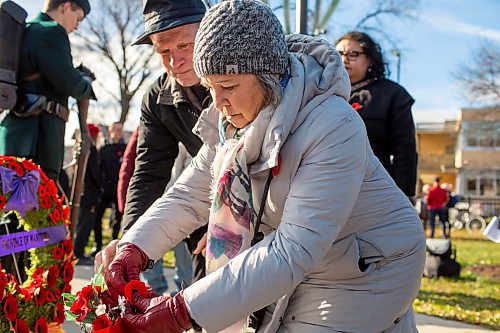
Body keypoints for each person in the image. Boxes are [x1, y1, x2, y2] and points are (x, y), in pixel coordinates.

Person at [102, 1, 426, 332]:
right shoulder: (232, 123)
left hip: (371, 267)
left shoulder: (334, 125)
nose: (217, 103)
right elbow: (190, 194)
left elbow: (293, 249)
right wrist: (134, 248)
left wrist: (181, 310)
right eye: (209, 87)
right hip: (314, 261)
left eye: (227, 86)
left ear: (269, 75)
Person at [94, 0, 209, 294]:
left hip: (266, 213)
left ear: (210, 32)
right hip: (202, 212)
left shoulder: (242, 75)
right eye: (163, 52)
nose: (175, 62)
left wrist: (236, 219)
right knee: (202, 300)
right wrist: (129, 238)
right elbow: (148, 172)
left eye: (185, 45)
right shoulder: (158, 98)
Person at [0, 0, 94, 281]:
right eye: (78, 16)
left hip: (18, 141)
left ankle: (14, 283)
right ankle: (19, 284)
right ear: (66, 6)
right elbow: (70, 83)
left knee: (16, 220)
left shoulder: (28, 30)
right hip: (37, 145)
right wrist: (85, 81)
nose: (77, 24)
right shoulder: (51, 32)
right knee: (27, 222)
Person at [335, 31, 418, 199]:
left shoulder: (392, 94)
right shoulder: (320, 92)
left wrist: (402, 195)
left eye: (353, 54)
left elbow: (405, 150)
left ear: (370, 60)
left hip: (372, 192)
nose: (344, 60)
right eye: (339, 54)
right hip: (324, 188)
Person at [116, 127, 193, 293]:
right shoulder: (148, 127)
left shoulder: (191, 129)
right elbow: (131, 165)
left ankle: (184, 295)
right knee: (148, 251)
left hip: (183, 206)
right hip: (151, 204)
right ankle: (153, 292)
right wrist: (126, 203)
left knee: (184, 254)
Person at [92, 122, 126, 255]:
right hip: (105, 190)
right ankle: (98, 245)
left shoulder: (125, 148)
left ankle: (115, 245)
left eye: (120, 130)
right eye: (116, 129)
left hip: (119, 190)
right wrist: (101, 185)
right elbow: (99, 169)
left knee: (118, 218)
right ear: (111, 130)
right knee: (97, 217)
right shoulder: (104, 149)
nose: (119, 132)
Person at [73, 123, 102, 265]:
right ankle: (78, 253)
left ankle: (77, 252)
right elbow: (95, 173)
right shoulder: (91, 150)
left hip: (82, 193)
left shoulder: (79, 148)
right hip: (90, 194)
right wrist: (101, 183)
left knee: (81, 224)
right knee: (85, 225)